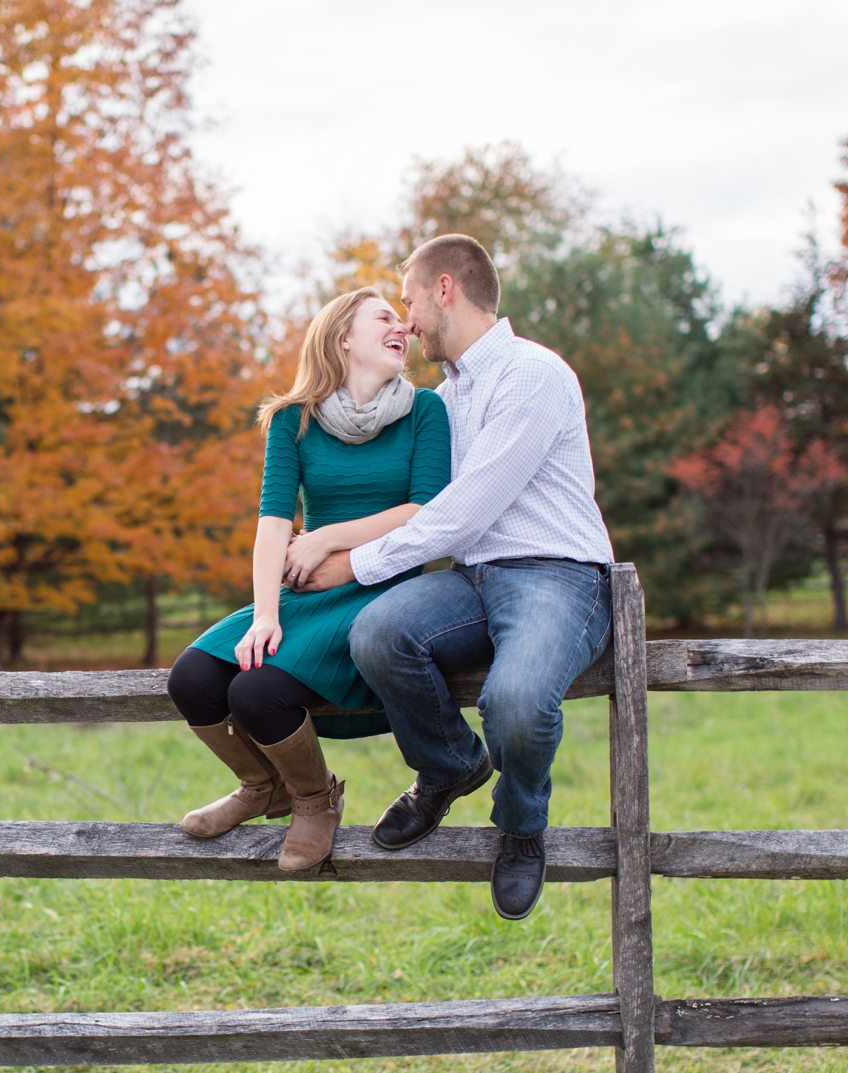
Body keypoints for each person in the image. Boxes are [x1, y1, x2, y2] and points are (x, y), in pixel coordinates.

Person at [285, 235, 614, 920]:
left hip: (558, 578)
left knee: (517, 700)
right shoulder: (445, 397)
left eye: (406, 300)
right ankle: (447, 766)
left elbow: (462, 513)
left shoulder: (531, 374)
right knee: (376, 632)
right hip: (474, 582)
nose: (403, 320)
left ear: (444, 289)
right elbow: (407, 487)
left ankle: (521, 827)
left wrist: (350, 563)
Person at [166, 288, 451, 873]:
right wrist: (265, 612)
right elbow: (273, 521)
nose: (402, 327)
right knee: (193, 677)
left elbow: (424, 510)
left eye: (403, 320)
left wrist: (324, 537)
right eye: (385, 318)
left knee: (255, 690)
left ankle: (315, 802)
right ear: (343, 337)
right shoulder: (293, 419)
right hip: (309, 591)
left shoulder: (426, 412)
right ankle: (261, 785)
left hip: (381, 589)